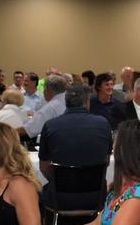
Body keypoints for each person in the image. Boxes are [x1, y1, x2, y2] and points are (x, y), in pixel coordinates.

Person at [38, 82, 112, 211]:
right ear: (87, 101)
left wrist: (62, 181)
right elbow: (105, 162)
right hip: (95, 197)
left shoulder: (50, 126)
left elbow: (43, 167)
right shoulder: (103, 124)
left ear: (66, 102)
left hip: (59, 198)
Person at [22, 73, 68, 138]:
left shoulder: (51, 106)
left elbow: (28, 129)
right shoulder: (68, 100)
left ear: (47, 89)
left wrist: (9, 132)